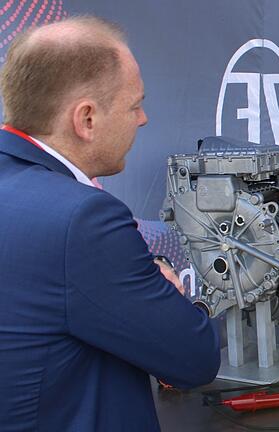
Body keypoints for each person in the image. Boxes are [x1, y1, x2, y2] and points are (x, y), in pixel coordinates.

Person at [0, 16, 220, 431]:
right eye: (134, 105)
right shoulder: (83, 221)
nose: (143, 119)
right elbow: (194, 359)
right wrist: (170, 294)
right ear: (86, 119)